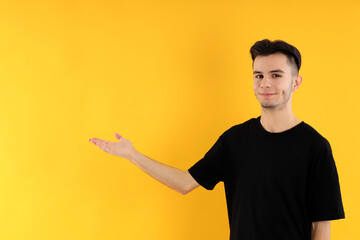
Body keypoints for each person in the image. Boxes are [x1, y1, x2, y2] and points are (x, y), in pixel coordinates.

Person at [88, 39, 345, 240]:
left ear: (296, 82)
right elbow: (184, 183)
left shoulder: (315, 147)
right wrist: (133, 154)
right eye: (259, 75)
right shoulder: (234, 140)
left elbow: (321, 223)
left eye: (276, 75)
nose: (266, 83)